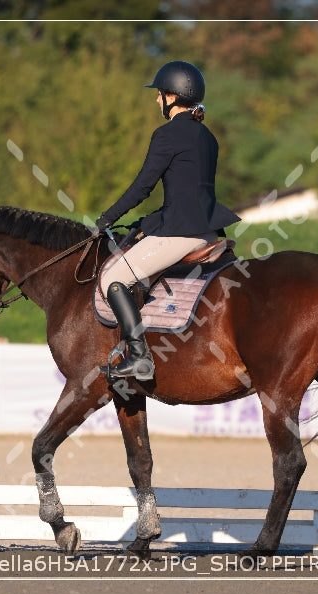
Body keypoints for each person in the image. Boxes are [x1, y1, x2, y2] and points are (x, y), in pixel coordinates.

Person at [94, 60, 241, 381]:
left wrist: (107, 217)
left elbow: (142, 186)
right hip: (208, 232)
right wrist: (146, 224)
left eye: (160, 94)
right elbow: (188, 194)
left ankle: (138, 355)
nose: (156, 100)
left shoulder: (167, 135)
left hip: (181, 233)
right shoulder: (207, 136)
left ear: (172, 97)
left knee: (112, 281)